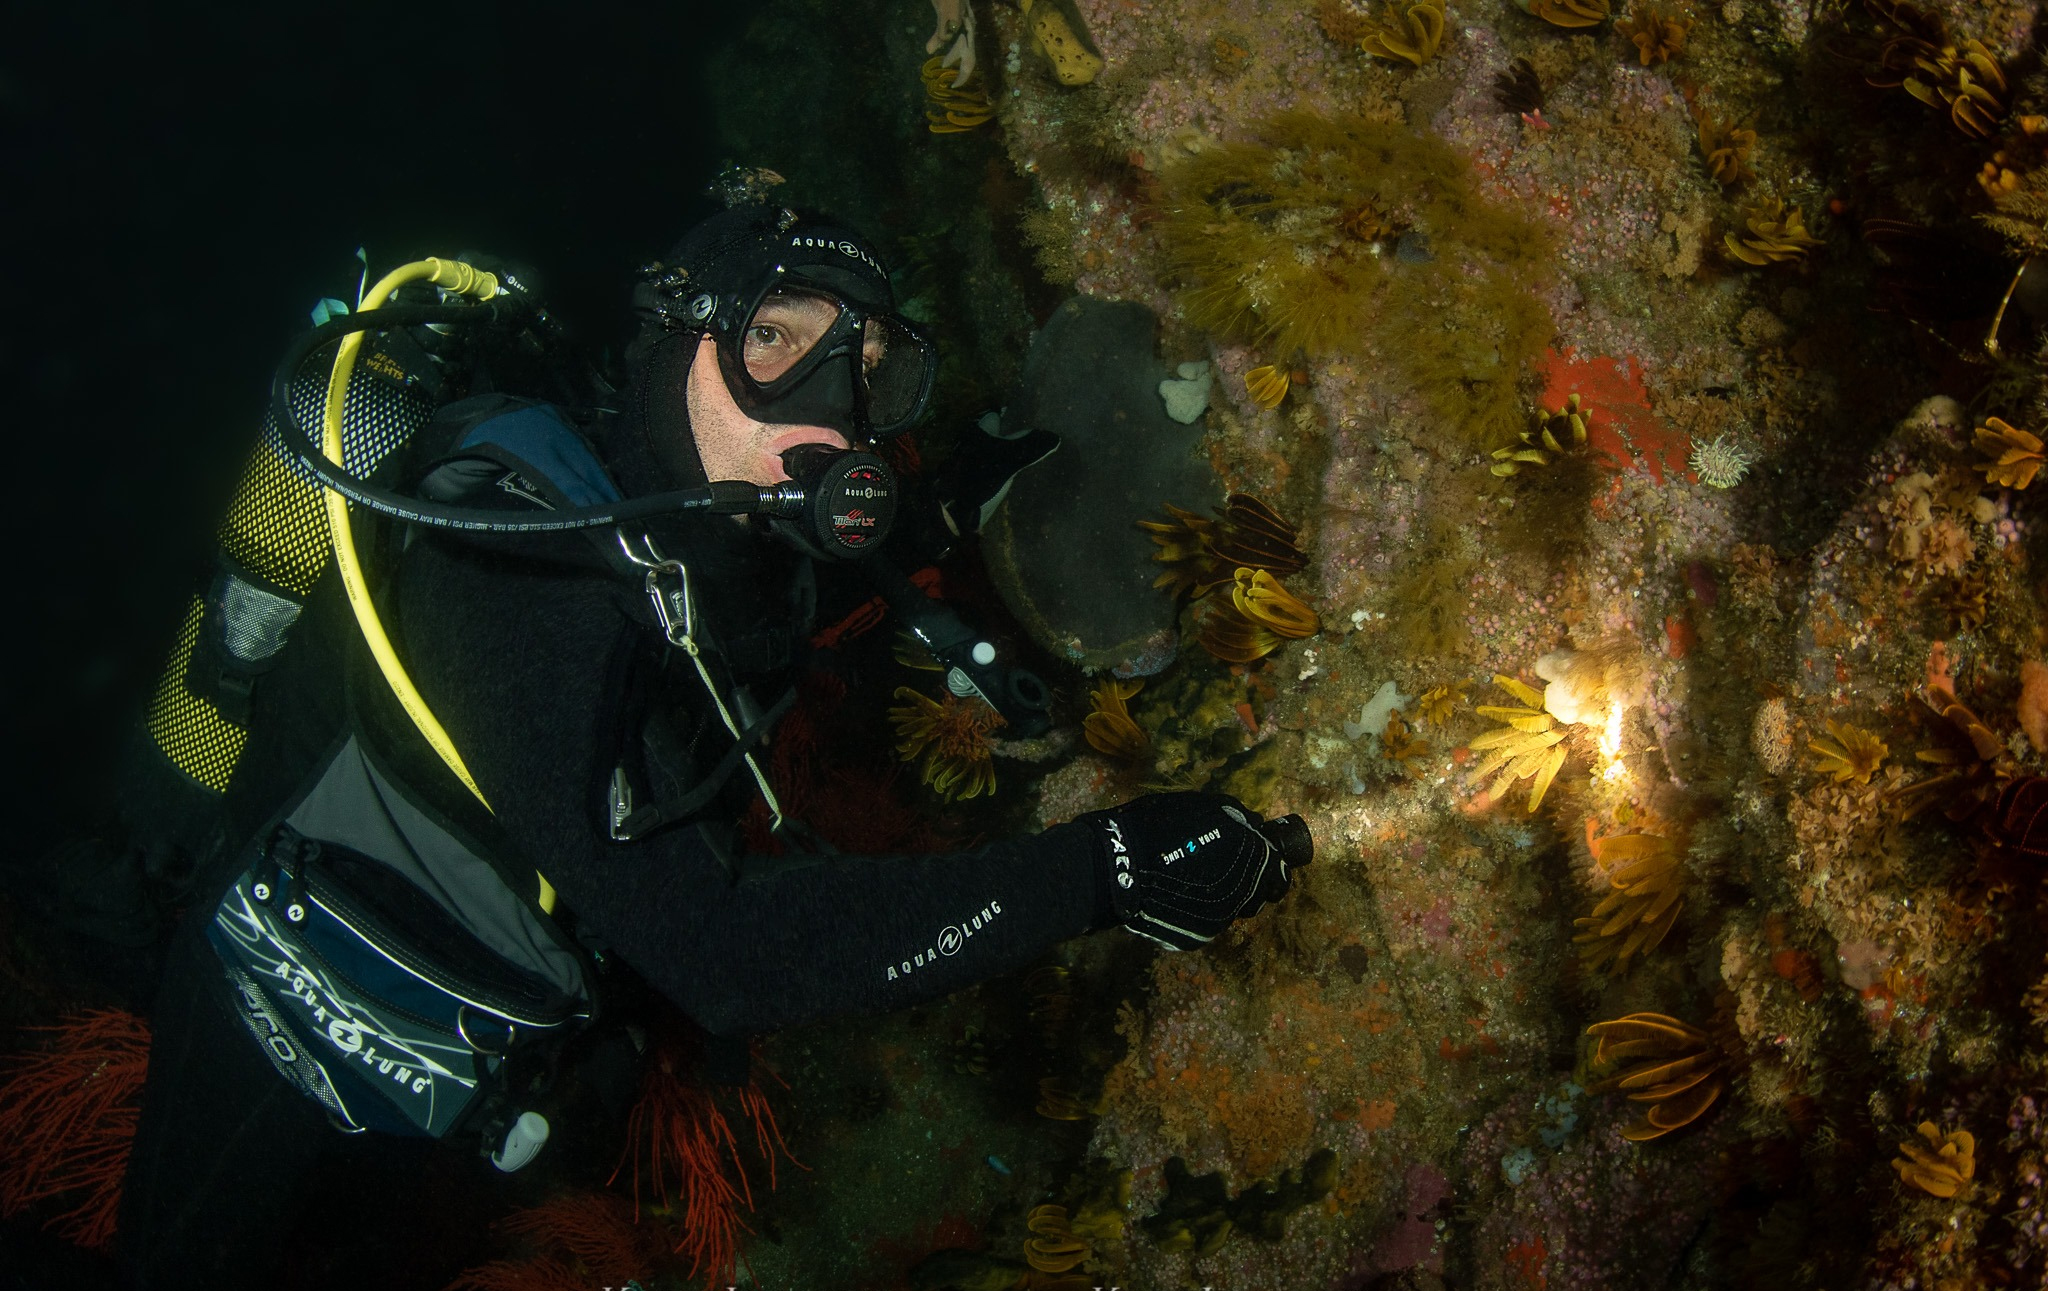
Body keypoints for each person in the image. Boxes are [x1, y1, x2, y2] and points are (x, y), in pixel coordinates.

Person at [114, 201, 1312, 1288]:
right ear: (680, 336)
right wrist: (1093, 871)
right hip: (280, 1029)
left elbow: (771, 626)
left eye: (872, 374)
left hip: (472, 1059)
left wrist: (958, 490)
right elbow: (729, 955)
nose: (831, 410)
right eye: (779, 342)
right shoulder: (520, 568)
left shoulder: (709, 531)